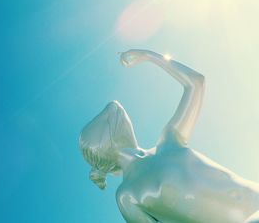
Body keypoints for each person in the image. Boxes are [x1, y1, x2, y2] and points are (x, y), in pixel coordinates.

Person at [79, 49, 259, 223]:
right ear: (104, 146)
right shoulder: (127, 195)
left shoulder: (168, 141)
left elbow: (196, 83)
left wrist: (149, 56)